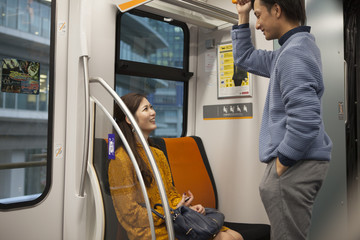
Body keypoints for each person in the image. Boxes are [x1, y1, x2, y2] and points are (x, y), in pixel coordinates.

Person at [231, 0, 332, 239]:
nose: (257, 25)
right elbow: (244, 58)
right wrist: (243, 14)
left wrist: (281, 165)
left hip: (294, 165)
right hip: (296, 165)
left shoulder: (293, 54)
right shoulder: (291, 50)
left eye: (258, 15)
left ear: (277, 10)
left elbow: (306, 121)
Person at [108, 92, 243, 240]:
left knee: (235, 235)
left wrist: (186, 207)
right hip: (149, 229)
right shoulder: (120, 160)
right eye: (145, 109)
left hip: (172, 220)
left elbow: (170, 193)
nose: (153, 112)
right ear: (129, 119)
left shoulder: (157, 154)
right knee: (226, 238)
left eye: (151, 107)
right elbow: (129, 214)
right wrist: (171, 212)